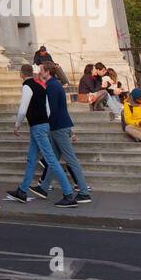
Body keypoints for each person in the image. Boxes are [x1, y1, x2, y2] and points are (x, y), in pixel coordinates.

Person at [7, 64, 78, 206]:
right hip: (43, 125)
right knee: (32, 159)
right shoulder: (40, 86)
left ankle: (69, 194)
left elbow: (23, 109)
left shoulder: (27, 86)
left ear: (21, 74)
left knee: (51, 160)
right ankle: (22, 191)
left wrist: (17, 125)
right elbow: (48, 109)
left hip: (37, 127)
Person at [31, 63, 92, 204]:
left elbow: (51, 110)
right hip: (59, 126)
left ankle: (84, 192)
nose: (39, 72)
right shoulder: (54, 85)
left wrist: (44, 124)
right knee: (53, 159)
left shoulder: (52, 86)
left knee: (71, 160)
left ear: (47, 72)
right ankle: (44, 187)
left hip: (58, 127)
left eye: (41, 70)